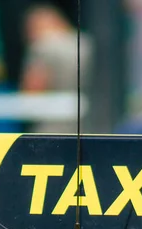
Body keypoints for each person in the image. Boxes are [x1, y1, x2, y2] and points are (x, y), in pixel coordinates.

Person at [21, 4, 93, 133]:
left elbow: (33, 90)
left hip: (50, 128)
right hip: (84, 126)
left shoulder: (43, 46)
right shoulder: (86, 44)